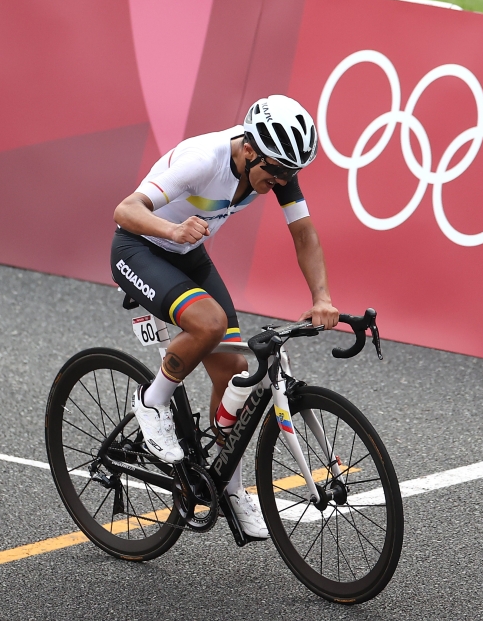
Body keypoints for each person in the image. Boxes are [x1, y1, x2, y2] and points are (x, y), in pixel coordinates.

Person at [110, 95, 339, 539]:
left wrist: (322, 296)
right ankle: (151, 402)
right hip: (139, 248)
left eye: (289, 175)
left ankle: (230, 487)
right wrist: (174, 229)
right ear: (249, 149)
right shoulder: (204, 159)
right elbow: (126, 211)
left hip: (187, 254)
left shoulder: (275, 165)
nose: (280, 183)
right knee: (209, 324)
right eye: (274, 173)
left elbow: (304, 233)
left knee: (234, 371)